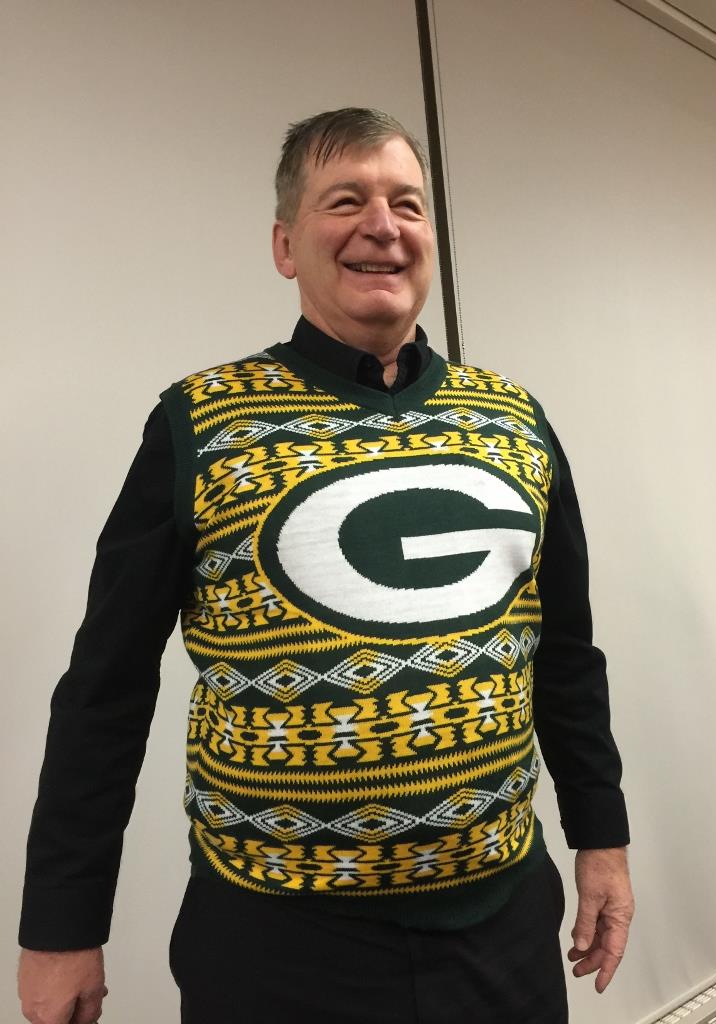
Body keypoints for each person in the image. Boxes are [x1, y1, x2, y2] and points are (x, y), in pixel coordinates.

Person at [18, 107, 634, 1024]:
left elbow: (568, 658)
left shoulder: (513, 421)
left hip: (501, 930)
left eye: (407, 205)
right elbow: (105, 689)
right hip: (274, 949)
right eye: (346, 201)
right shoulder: (200, 423)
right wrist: (60, 926)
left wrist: (602, 838)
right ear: (285, 245)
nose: (383, 226)